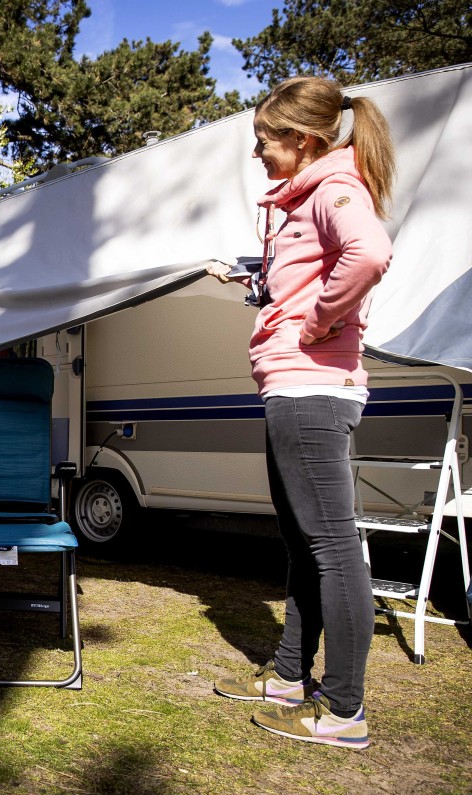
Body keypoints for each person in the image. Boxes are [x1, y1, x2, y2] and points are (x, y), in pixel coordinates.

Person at [208, 77, 395, 750]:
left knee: (333, 546)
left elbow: (369, 253)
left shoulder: (336, 190)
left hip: (312, 387)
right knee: (302, 540)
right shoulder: (302, 201)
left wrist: (316, 321)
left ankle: (344, 709)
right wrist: (259, 284)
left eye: (265, 141)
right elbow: (307, 275)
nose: (257, 153)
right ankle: (291, 675)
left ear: (303, 140)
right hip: (292, 386)